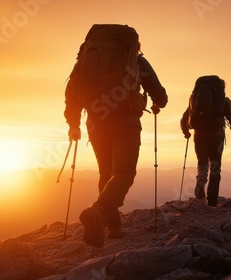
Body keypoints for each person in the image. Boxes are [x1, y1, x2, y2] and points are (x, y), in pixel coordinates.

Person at [64, 38, 168, 248]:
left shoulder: (87, 61)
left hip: (96, 123)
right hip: (126, 123)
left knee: (105, 172)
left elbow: (71, 92)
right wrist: (157, 103)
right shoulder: (137, 62)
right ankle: (98, 212)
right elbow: (161, 96)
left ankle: (114, 227)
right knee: (123, 172)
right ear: (132, 48)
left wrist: (73, 124)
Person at [180, 75, 231, 207]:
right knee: (215, 166)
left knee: (202, 161)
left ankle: (201, 178)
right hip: (217, 136)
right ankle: (212, 201)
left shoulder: (195, 100)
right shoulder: (223, 101)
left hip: (199, 135)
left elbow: (184, 119)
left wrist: (186, 132)